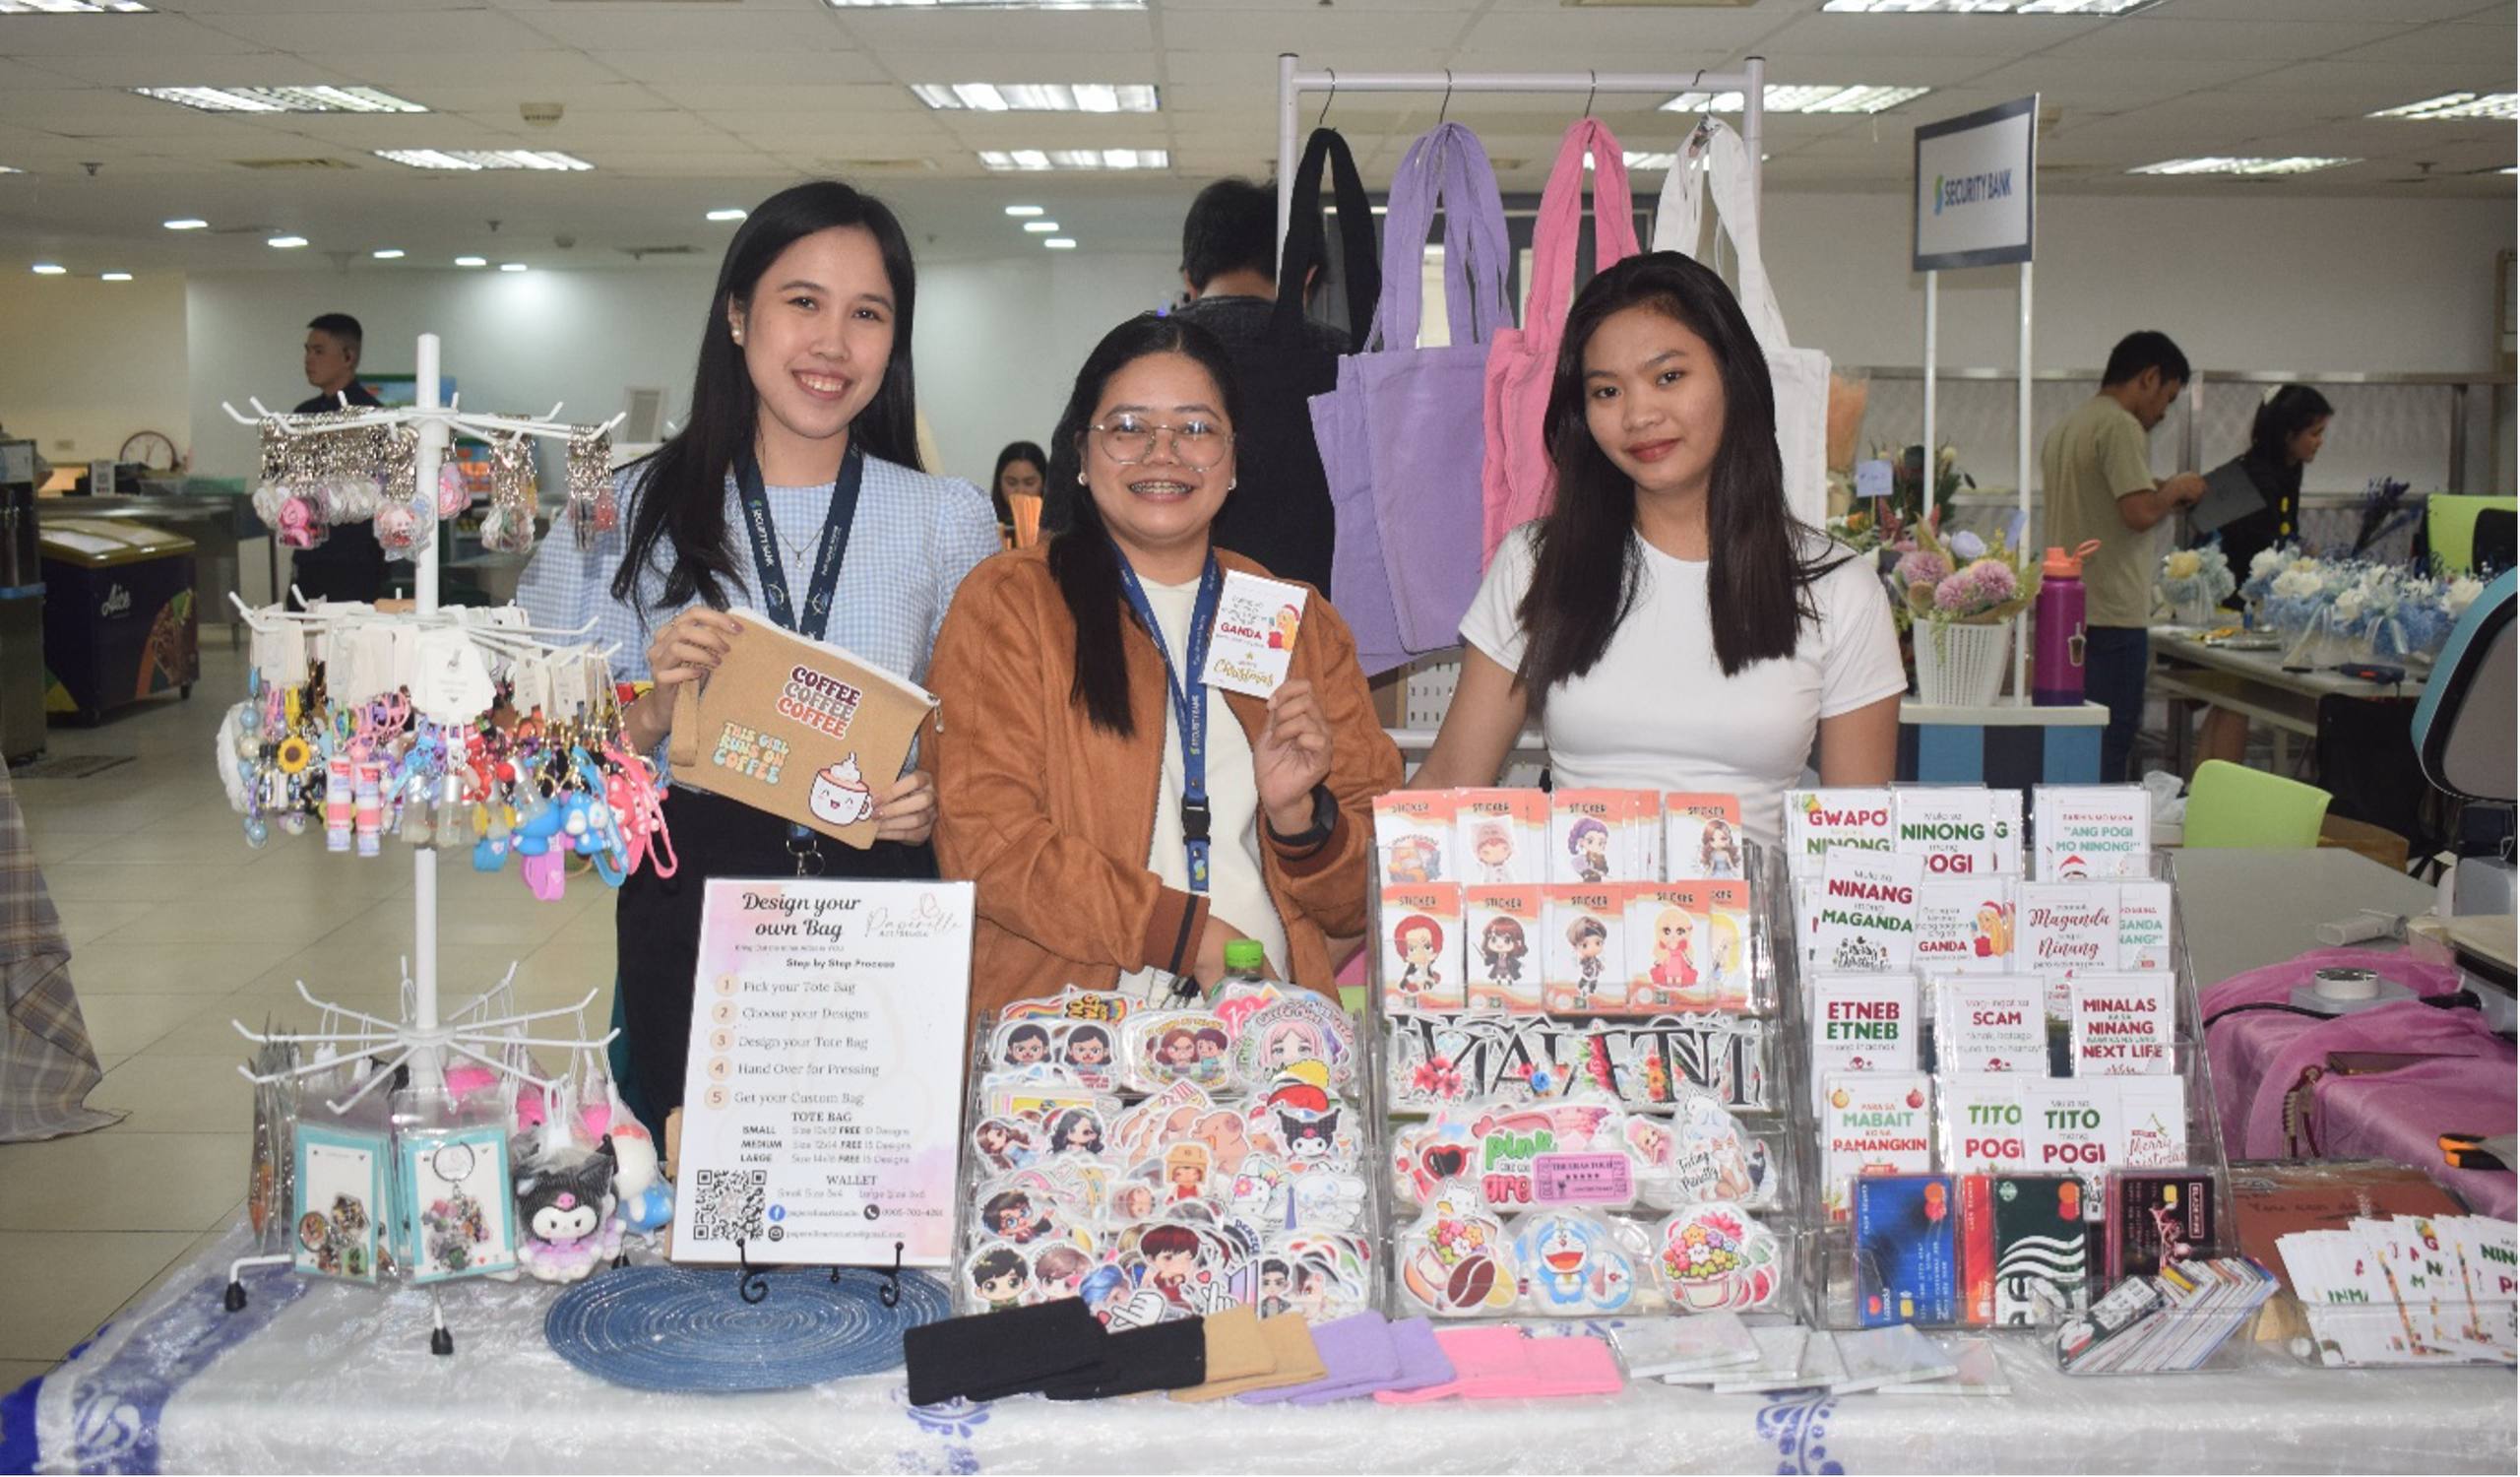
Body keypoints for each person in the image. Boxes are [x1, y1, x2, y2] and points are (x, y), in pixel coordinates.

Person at [517, 180, 998, 1122]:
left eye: (868, 314)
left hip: (880, 902)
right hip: (697, 904)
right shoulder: (623, 513)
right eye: (803, 302)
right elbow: (546, 768)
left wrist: (934, 793)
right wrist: (654, 712)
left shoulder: (946, 519)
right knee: (702, 1180)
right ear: (738, 314)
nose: (834, 343)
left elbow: (985, 744)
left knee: (868, 1181)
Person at [929, 312, 1400, 1028]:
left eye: (1196, 428)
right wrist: (1192, 939)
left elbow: (1366, 892)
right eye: (1128, 427)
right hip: (1069, 1044)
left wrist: (1301, 820)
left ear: (1233, 460)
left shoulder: (1295, 620)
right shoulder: (1011, 604)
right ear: (1081, 454)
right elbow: (987, 840)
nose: (1163, 453)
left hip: (1266, 1039)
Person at [1414, 252, 1905, 854]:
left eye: (1668, 377)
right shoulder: (1535, 564)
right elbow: (1448, 782)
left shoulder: (1838, 588)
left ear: (1732, 376)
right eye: (1607, 391)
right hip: (1582, 907)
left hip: (1754, 913)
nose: (1639, 415)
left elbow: (1858, 848)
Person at [1168, 176, 1354, 596]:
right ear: (1307, 278)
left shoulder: (1134, 361)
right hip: (1317, 615)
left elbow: (1063, 522)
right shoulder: (1349, 364)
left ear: (1190, 278)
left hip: (1159, 612)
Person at [2041, 331, 2210, 783]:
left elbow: (2105, 497)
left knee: (2069, 745)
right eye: (2167, 398)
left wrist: (2160, 488)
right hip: (2113, 616)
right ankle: (2101, 828)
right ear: (2149, 377)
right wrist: (2177, 488)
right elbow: (2137, 512)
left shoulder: (2070, 426)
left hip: (2067, 615)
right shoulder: (2121, 426)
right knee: (2109, 747)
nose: (2164, 413)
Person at [2191, 384, 2333, 769]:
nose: (2320, 442)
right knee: (2237, 700)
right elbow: (2257, 553)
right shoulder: (2254, 477)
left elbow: (2282, 539)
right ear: (2288, 434)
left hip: (2247, 607)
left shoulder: (2286, 472)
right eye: (2314, 433)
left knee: (2230, 702)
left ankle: (2205, 790)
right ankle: (2220, 795)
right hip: (2230, 608)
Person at [290, 312, 391, 604]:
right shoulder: (303, 414)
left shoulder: (373, 416)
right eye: (307, 351)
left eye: (319, 351)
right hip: (308, 553)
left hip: (356, 558)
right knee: (298, 626)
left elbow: (386, 489)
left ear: (348, 357)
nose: (308, 359)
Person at [990, 440, 1048, 549]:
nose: (1020, 491)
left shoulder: (1056, 529)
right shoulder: (985, 526)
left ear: (1044, 483)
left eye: (1029, 483)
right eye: (1011, 483)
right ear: (999, 482)